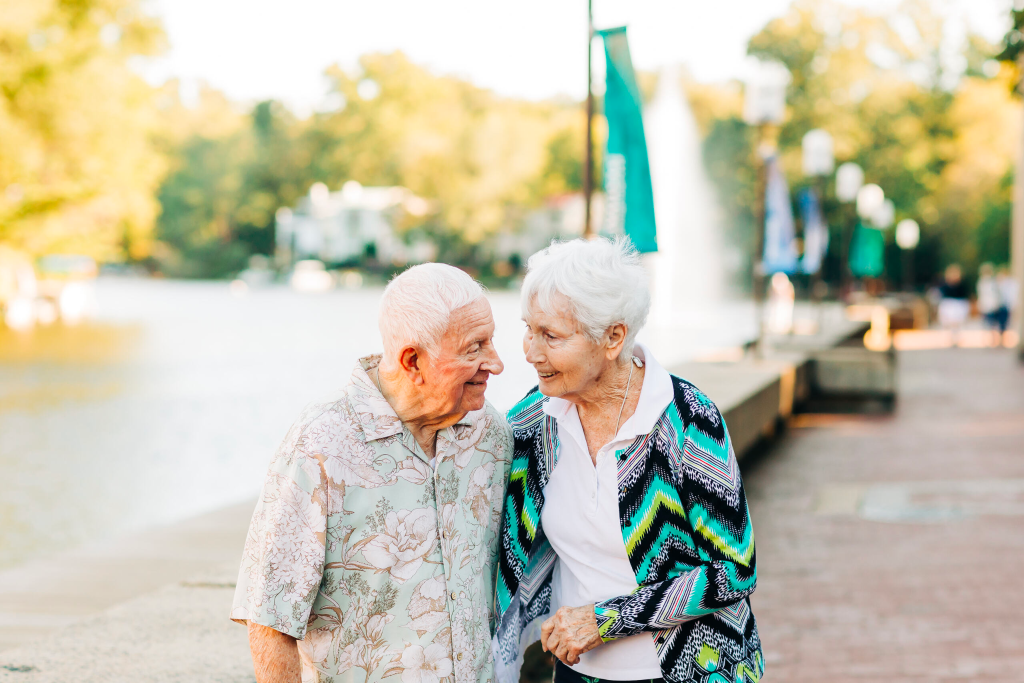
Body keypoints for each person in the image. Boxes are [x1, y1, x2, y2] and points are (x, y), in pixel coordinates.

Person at [493, 239, 762, 683]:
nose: (530, 351)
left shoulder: (688, 419)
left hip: (690, 670)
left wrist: (605, 621)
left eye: (552, 336)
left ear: (614, 337)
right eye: (528, 328)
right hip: (577, 672)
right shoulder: (534, 419)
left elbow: (735, 570)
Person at [231, 263, 512, 683]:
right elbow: (270, 617)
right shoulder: (321, 443)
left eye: (491, 342)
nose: (496, 363)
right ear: (412, 360)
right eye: (474, 348)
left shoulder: (491, 436)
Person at [977, 263, 1008, 343]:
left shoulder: (993, 282)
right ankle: (993, 339)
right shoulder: (982, 282)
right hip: (988, 306)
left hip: (994, 305)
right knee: (991, 324)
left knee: (996, 323)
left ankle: (998, 339)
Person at [937, 264, 970, 331]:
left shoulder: (962, 285)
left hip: (959, 304)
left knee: (958, 323)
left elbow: (965, 297)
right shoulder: (944, 285)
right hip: (949, 305)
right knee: (949, 323)